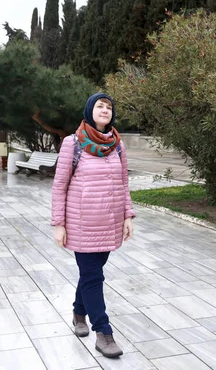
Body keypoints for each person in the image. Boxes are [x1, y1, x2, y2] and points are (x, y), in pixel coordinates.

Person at [51, 92, 135, 358]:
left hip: (108, 223)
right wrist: (58, 223)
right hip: (81, 223)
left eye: (108, 107)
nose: (104, 110)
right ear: (90, 111)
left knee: (91, 274)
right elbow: (59, 186)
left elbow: (123, 183)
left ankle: (78, 311)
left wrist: (127, 216)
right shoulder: (73, 143)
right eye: (99, 106)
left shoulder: (117, 146)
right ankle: (103, 333)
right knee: (94, 277)